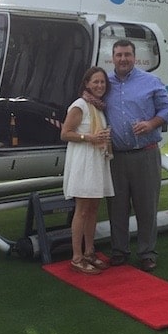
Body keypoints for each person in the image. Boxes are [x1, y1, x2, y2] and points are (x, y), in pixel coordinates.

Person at [105, 39, 168, 272]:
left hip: (145, 154)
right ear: (112, 58)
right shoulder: (105, 84)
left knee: (146, 207)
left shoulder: (151, 81)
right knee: (117, 206)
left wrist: (151, 123)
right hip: (116, 157)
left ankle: (147, 253)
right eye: (118, 55)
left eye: (127, 54)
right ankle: (119, 251)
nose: (123, 59)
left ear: (135, 57)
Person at [61, 67, 115, 275]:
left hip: (96, 161)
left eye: (102, 82)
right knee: (82, 210)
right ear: (87, 84)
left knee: (93, 209)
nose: (100, 86)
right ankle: (76, 257)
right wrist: (89, 138)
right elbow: (65, 134)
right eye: (96, 82)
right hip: (83, 162)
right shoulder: (80, 105)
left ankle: (90, 252)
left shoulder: (99, 107)